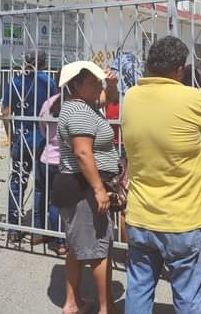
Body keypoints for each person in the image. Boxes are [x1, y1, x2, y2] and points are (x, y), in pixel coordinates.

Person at [121, 36, 201, 314]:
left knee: (139, 290)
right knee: (189, 298)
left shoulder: (130, 97)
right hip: (184, 220)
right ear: (180, 70)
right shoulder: (192, 98)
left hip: (141, 216)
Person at [55, 61, 119, 314]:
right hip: (83, 188)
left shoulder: (82, 104)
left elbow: (106, 98)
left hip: (76, 186)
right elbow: (83, 153)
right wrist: (99, 189)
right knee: (99, 248)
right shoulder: (80, 112)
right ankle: (106, 308)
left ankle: (73, 303)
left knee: (77, 246)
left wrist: (111, 85)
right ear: (75, 85)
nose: (98, 86)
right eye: (93, 82)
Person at [1, 50, 58, 244]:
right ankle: (37, 230)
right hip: (42, 140)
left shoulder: (15, 83)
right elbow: (54, 111)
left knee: (17, 181)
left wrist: (12, 138)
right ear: (44, 62)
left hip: (21, 138)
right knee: (41, 185)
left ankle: (13, 228)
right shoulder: (48, 82)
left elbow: (6, 113)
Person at [39, 93, 67, 255]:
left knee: (53, 202)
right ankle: (67, 239)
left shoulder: (47, 102)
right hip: (65, 161)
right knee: (69, 203)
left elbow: (42, 129)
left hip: (47, 159)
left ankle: (59, 241)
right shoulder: (74, 104)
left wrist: (51, 139)